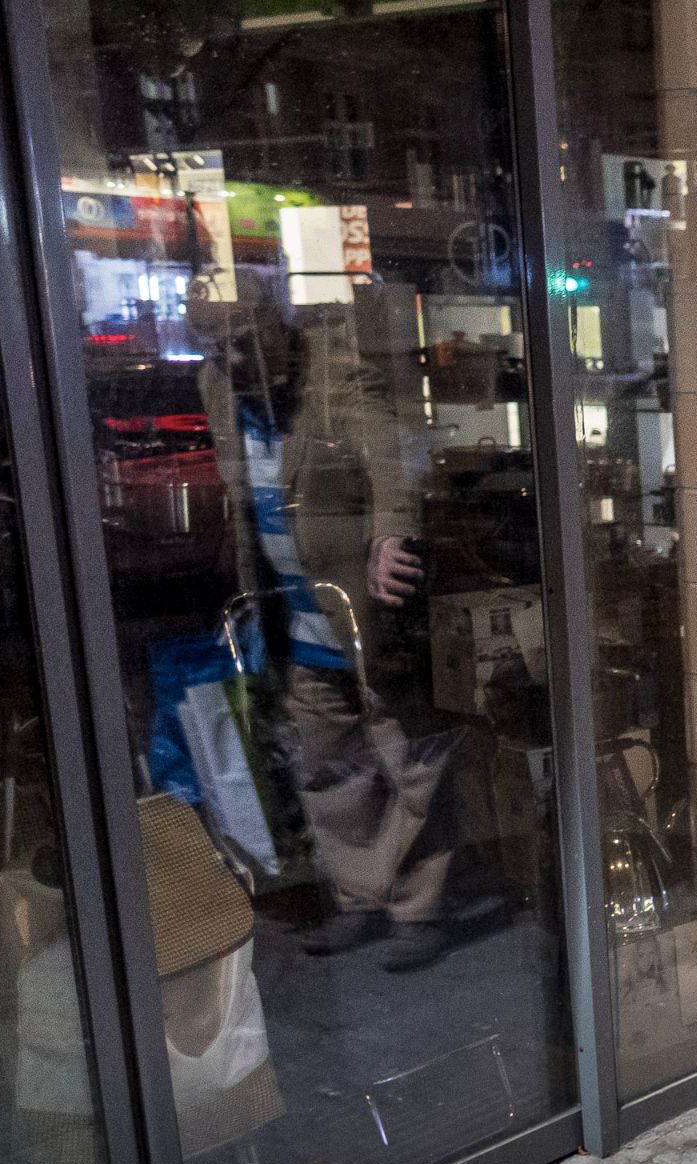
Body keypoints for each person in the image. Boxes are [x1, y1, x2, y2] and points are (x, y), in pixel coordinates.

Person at [200, 281, 460, 973]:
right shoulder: (217, 383)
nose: (236, 361)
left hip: (358, 604)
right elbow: (237, 478)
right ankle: (360, 898)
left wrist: (392, 534)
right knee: (328, 767)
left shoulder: (333, 371)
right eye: (220, 348)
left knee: (407, 762)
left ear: (276, 323)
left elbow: (388, 456)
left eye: (246, 342)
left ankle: (418, 910)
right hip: (293, 605)